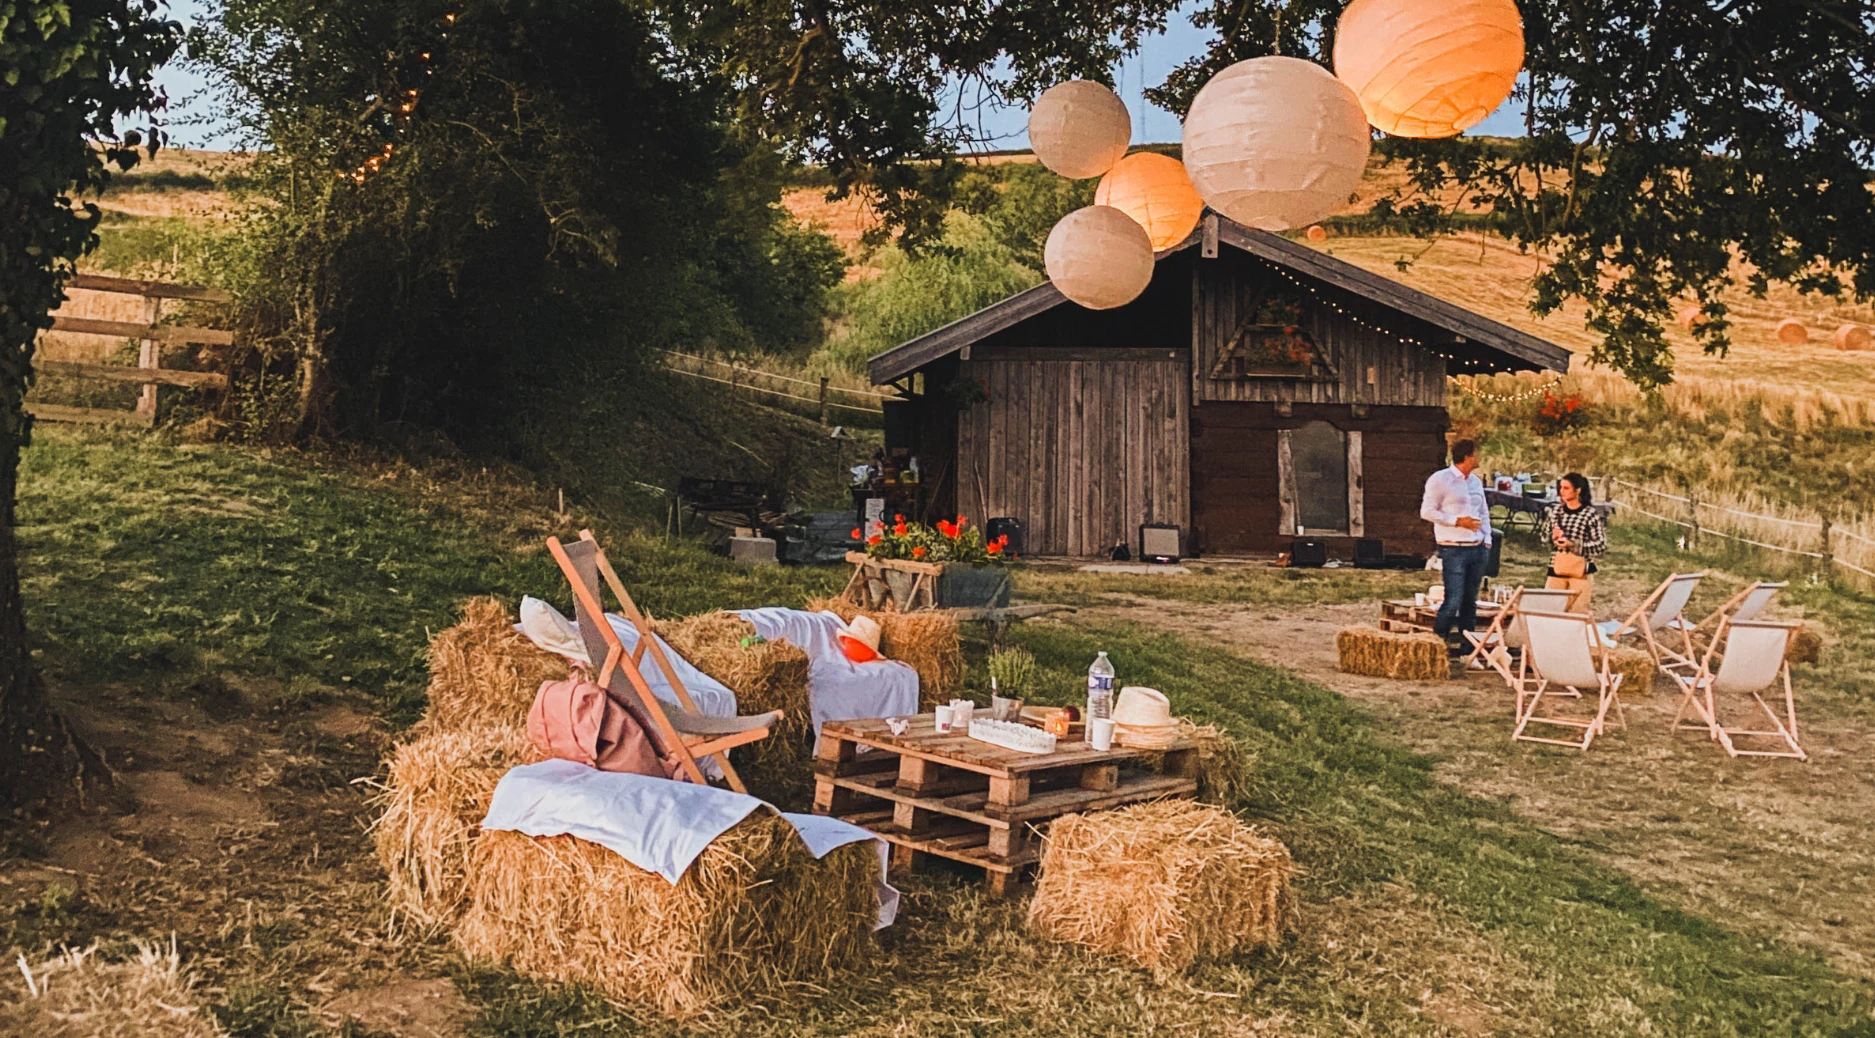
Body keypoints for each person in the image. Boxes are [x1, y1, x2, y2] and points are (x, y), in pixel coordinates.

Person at [1419, 439, 1492, 656]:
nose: (1479, 458)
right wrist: (1457, 521)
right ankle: (1436, 645)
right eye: (1476, 454)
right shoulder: (1440, 480)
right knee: (1454, 599)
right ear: (1467, 457)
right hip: (1454, 547)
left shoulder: (1475, 482)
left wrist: (1487, 538)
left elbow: (1484, 511)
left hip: (1477, 546)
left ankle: (1467, 649)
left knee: (1471, 600)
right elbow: (1427, 512)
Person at [1536, 473, 1606, 614]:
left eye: (1566, 488)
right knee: (1550, 610)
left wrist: (1573, 544)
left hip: (1580, 571)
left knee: (1577, 612)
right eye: (1560, 487)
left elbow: (1600, 545)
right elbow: (1543, 537)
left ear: (1578, 490)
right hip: (1557, 567)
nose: (1561, 491)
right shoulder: (1555, 511)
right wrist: (1552, 537)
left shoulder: (1589, 514)